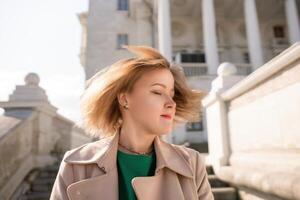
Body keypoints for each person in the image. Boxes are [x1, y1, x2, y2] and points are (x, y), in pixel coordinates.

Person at [49, 45, 214, 200]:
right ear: (124, 99)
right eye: (157, 92)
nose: (171, 103)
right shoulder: (75, 165)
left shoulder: (192, 162)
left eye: (171, 94)